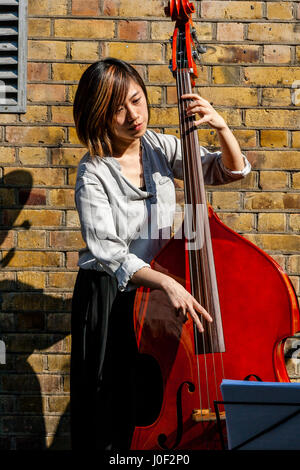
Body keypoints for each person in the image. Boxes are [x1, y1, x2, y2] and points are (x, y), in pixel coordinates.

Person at [70, 57, 251, 451]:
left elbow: (226, 171)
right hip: (109, 298)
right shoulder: (93, 173)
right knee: (114, 411)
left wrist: (221, 128)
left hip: (155, 297)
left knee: (153, 397)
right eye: (117, 109)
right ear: (98, 116)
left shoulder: (159, 147)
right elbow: (108, 253)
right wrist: (167, 281)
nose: (133, 115)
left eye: (136, 100)